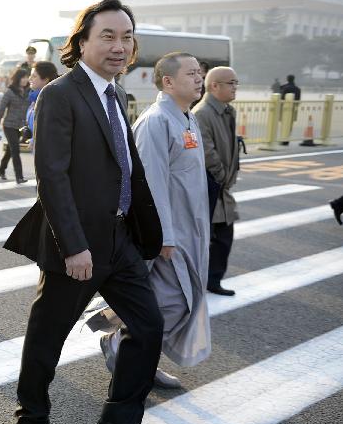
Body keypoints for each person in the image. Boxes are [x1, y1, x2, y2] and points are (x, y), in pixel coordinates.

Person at [5, 0, 167, 424]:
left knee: (149, 327)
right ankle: (30, 422)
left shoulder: (117, 94)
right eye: (108, 37)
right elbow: (51, 176)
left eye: (127, 37)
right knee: (47, 336)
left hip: (118, 240)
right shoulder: (61, 93)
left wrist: (144, 233)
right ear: (82, 42)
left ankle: (121, 420)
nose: (119, 47)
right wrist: (73, 246)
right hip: (75, 243)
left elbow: (127, 167)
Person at [101, 52, 211, 391]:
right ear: (167, 81)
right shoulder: (156, 121)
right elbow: (149, 184)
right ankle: (121, 342)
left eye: (199, 73)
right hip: (166, 236)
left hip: (190, 229)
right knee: (173, 301)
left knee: (179, 299)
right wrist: (161, 235)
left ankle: (142, 361)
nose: (199, 79)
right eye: (191, 73)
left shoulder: (185, 117)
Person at [193, 67, 240, 297]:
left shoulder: (227, 110)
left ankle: (213, 279)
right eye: (231, 83)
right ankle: (207, 280)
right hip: (212, 187)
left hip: (222, 187)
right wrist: (223, 176)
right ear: (214, 86)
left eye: (236, 83)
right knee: (212, 239)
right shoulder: (203, 113)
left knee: (223, 238)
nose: (235, 87)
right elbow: (207, 152)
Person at [0, 67, 30, 183]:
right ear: (18, 78)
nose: (25, 80)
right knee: (15, 150)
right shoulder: (10, 91)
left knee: (11, 150)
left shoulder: (29, 91)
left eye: (26, 77)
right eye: (23, 77)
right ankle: (19, 177)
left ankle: (1, 170)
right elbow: (0, 109)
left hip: (21, 126)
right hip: (9, 125)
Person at [26, 61, 58, 147]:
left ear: (45, 79)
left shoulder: (50, 100)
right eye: (30, 75)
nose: (30, 79)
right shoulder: (35, 97)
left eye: (34, 76)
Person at [278, 74, 301, 145]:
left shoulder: (284, 87)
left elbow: (281, 98)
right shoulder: (297, 89)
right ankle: (287, 138)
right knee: (290, 124)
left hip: (284, 108)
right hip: (293, 108)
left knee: (284, 123)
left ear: (287, 79)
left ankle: (283, 138)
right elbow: (298, 100)